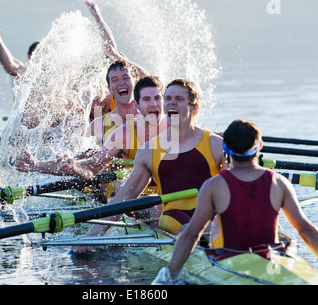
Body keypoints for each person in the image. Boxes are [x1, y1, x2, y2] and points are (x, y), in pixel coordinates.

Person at [155, 118, 318, 285]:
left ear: (225, 149)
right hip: (273, 260)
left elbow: (191, 234)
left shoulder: (213, 186)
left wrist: (168, 275)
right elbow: (306, 230)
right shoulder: (279, 182)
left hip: (228, 259)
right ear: (260, 146)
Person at [71, 79, 226, 253]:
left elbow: (236, 188)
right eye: (168, 98)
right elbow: (125, 197)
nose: (171, 103)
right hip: (175, 219)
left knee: (221, 225)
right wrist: (92, 236)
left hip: (210, 216)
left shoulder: (216, 144)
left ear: (195, 107)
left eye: (179, 99)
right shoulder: (148, 151)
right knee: (205, 230)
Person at [15, 76, 167, 196]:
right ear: (137, 105)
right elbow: (90, 167)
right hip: (140, 196)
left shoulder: (180, 125)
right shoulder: (120, 133)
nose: (153, 104)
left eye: (157, 98)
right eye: (147, 99)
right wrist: (37, 165)